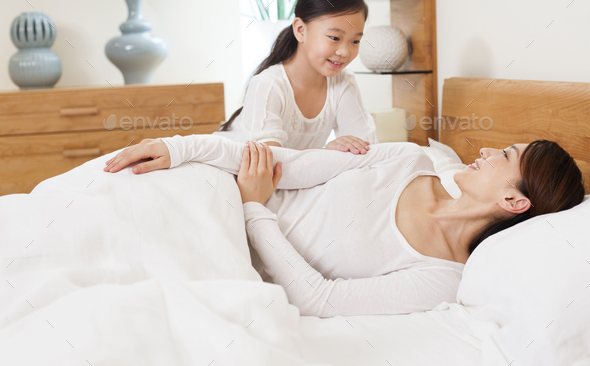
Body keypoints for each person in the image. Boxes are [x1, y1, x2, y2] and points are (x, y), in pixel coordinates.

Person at [102, 135, 585, 317]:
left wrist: (254, 210)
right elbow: (288, 163)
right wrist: (181, 147)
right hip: (204, 190)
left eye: (504, 156)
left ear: (513, 201)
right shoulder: (408, 158)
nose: (485, 151)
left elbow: (319, 300)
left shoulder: (442, 278)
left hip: (222, 245)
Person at [213, 0, 378, 155]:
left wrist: (342, 152)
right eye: (335, 38)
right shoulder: (268, 84)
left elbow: (369, 151)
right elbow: (274, 164)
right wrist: (328, 153)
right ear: (300, 30)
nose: (345, 52)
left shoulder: (344, 82)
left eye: (355, 41)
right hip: (222, 171)